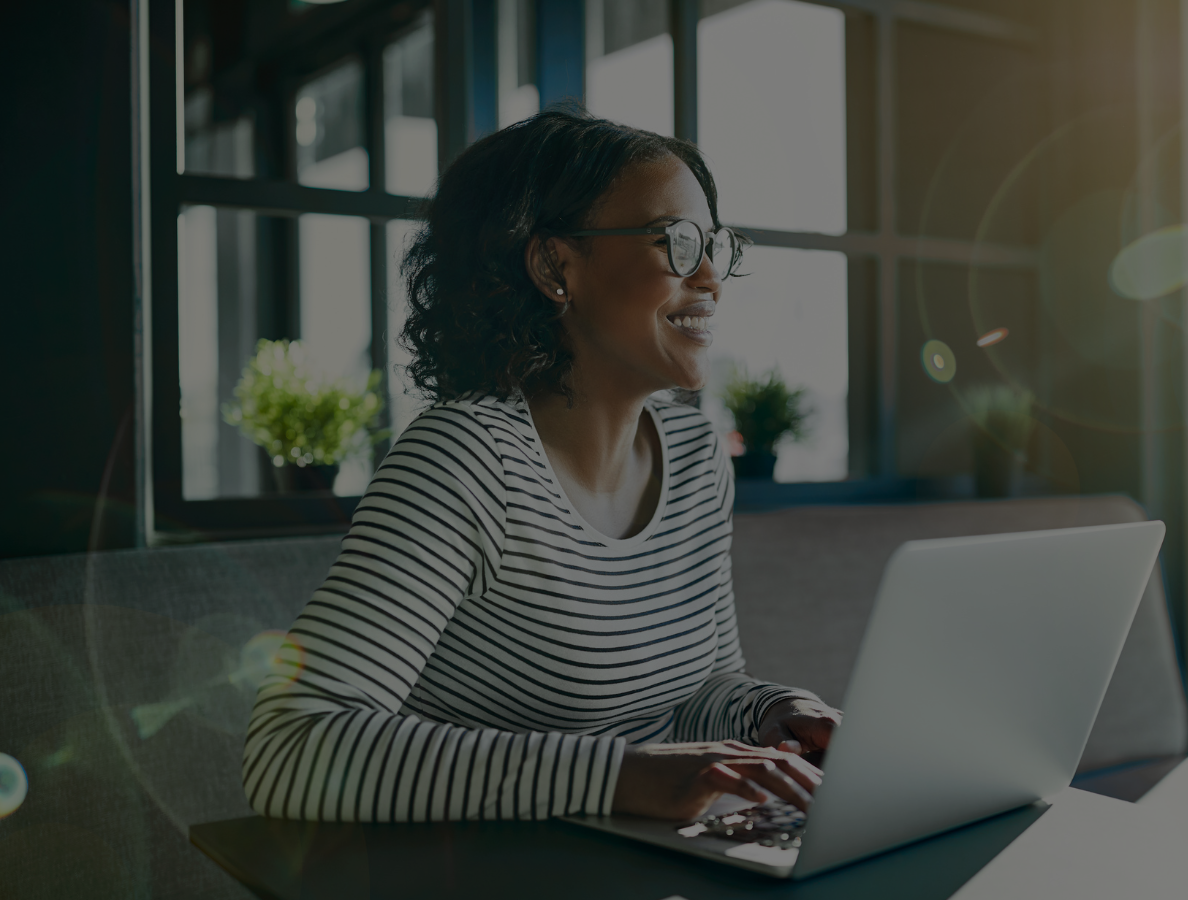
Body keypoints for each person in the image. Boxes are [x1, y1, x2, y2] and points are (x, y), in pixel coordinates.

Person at [242, 107, 842, 824]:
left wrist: (772, 712)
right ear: (556, 266)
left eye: (714, 244)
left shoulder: (695, 456)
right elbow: (290, 746)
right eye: (677, 243)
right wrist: (619, 777)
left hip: (648, 864)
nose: (711, 277)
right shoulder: (463, 461)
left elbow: (696, 691)